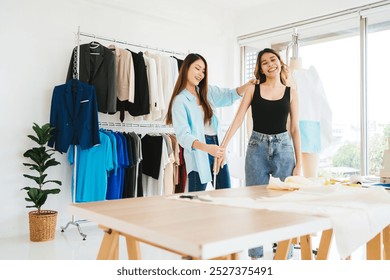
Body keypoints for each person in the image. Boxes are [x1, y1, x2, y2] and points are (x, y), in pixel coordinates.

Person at [216, 48, 302, 259]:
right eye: (264, 62)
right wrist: (223, 147)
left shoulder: (291, 92)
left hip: (283, 148)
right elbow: (237, 119)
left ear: (280, 62)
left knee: (285, 204)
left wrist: (299, 163)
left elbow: (295, 128)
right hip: (256, 148)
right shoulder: (253, 90)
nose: (269, 64)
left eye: (272, 59)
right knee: (254, 203)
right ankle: (255, 255)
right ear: (260, 68)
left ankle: (285, 253)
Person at [165, 53, 254, 192]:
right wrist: (207, 148)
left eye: (203, 71)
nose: (201, 74)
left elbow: (229, 95)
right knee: (197, 200)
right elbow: (183, 136)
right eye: (197, 68)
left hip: (217, 148)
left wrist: (248, 85)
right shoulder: (180, 101)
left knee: (225, 193)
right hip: (199, 152)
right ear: (186, 68)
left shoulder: (207, 92)